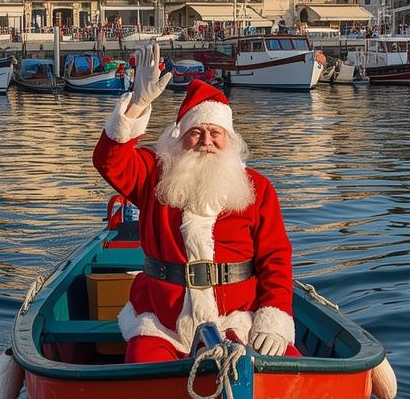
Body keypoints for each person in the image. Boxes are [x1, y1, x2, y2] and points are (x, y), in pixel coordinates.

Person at [92, 39, 298, 362]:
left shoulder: (257, 189)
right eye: (196, 132)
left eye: (215, 133)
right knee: (142, 372)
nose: (206, 142)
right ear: (180, 138)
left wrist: (274, 319)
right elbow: (109, 161)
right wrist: (136, 105)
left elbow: (276, 260)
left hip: (239, 320)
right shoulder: (154, 176)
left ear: (229, 139)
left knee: (293, 368)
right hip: (163, 325)